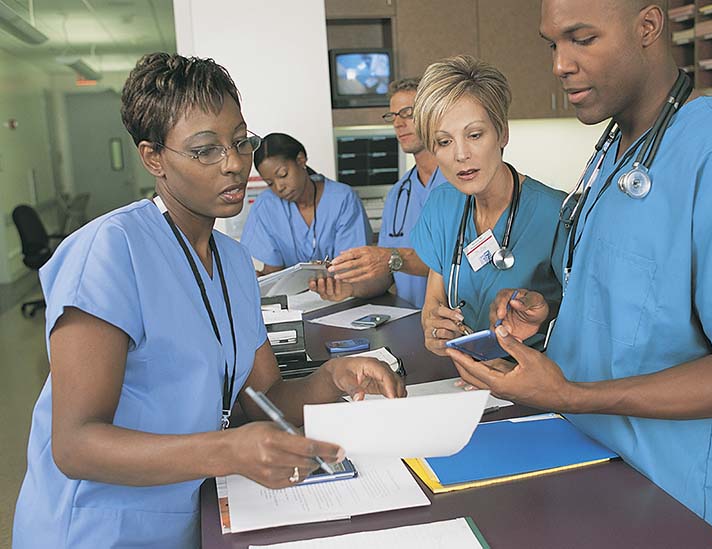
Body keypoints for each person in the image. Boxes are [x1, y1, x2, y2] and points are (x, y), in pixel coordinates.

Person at [445, 2, 712, 547]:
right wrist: (549, 318)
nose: (560, 64)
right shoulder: (618, 152)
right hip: (595, 464)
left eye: (582, 39)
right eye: (553, 44)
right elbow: (640, 302)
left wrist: (569, 395)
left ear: (647, 27)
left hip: (681, 502)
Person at [12, 53, 404, 549]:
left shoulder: (235, 265)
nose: (236, 163)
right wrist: (227, 450)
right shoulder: (109, 252)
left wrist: (331, 378)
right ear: (153, 157)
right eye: (205, 151)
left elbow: (264, 401)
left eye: (240, 141)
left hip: (189, 517)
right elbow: (75, 444)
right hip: (97, 529)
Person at [409, 55, 568, 356]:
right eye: (444, 142)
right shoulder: (443, 205)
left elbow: (582, 322)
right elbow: (433, 305)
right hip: (462, 377)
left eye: (475, 135)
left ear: (502, 133)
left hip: (535, 382)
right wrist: (434, 329)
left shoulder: (556, 214)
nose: (461, 155)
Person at [313, 77, 449, 307]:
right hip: (411, 324)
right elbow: (387, 274)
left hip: (458, 325)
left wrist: (392, 257)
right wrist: (349, 287)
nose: (398, 123)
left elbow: (460, 262)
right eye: (393, 116)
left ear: (434, 114)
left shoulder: (461, 182)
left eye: (408, 113)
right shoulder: (398, 194)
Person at [240, 132, 372, 275]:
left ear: (301, 160)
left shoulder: (343, 199)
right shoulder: (266, 206)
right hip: (292, 295)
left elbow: (352, 266)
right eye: (270, 183)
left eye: (283, 175)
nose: (279, 187)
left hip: (343, 291)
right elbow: (273, 272)